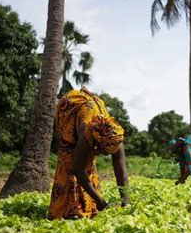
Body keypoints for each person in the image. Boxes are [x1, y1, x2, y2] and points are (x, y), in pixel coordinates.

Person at [48, 87, 130, 220]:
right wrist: (101, 203)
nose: (104, 155)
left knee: (90, 163)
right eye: (103, 152)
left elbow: (122, 171)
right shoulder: (86, 135)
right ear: (98, 141)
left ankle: (87, 205)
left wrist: (126, 202)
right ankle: (66, 209)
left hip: (91, 108)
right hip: (70, 108)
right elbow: (78, 171)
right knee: (68, 161)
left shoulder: (115, 138)